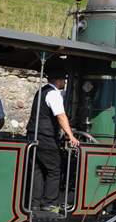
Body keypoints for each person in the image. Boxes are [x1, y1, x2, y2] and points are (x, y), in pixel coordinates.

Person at [26, 71, 80, 213]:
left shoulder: (41, 91)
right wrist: (71, 136)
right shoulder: (53, 94)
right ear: (58, 81)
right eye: (63, 80)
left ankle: (34, 203)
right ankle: (49, 203)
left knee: (37, 169)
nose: (64, 83)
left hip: (33, 134)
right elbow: (60, 115)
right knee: (55, 169)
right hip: (45, 136)